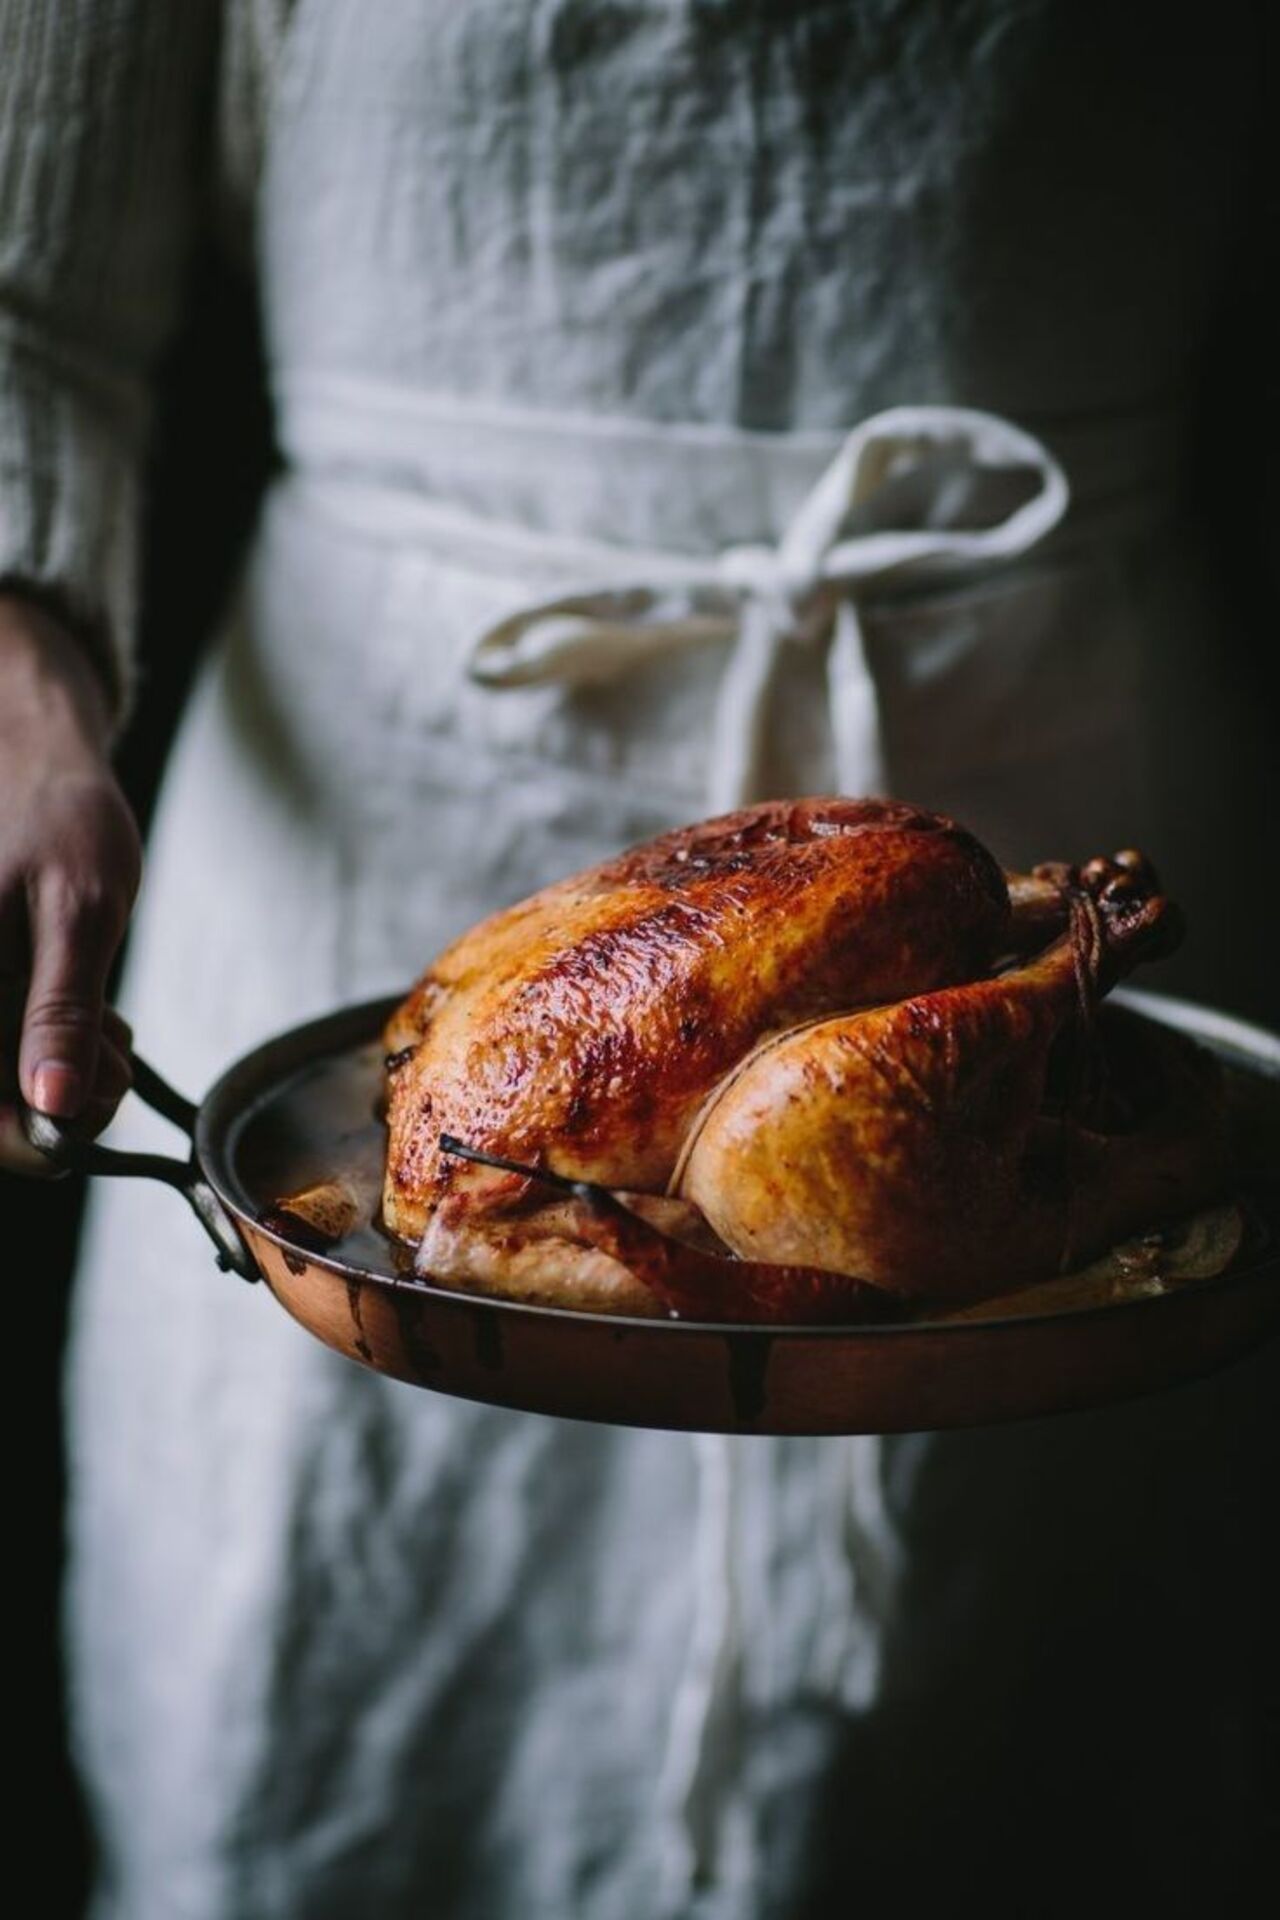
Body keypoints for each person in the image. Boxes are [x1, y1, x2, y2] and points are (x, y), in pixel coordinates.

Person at [1, 5, 1272, 1916]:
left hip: (1045, 691)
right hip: (400, 785)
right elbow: (23, 294)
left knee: (1031, 1774)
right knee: (343, 1745)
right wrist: (22, 694)